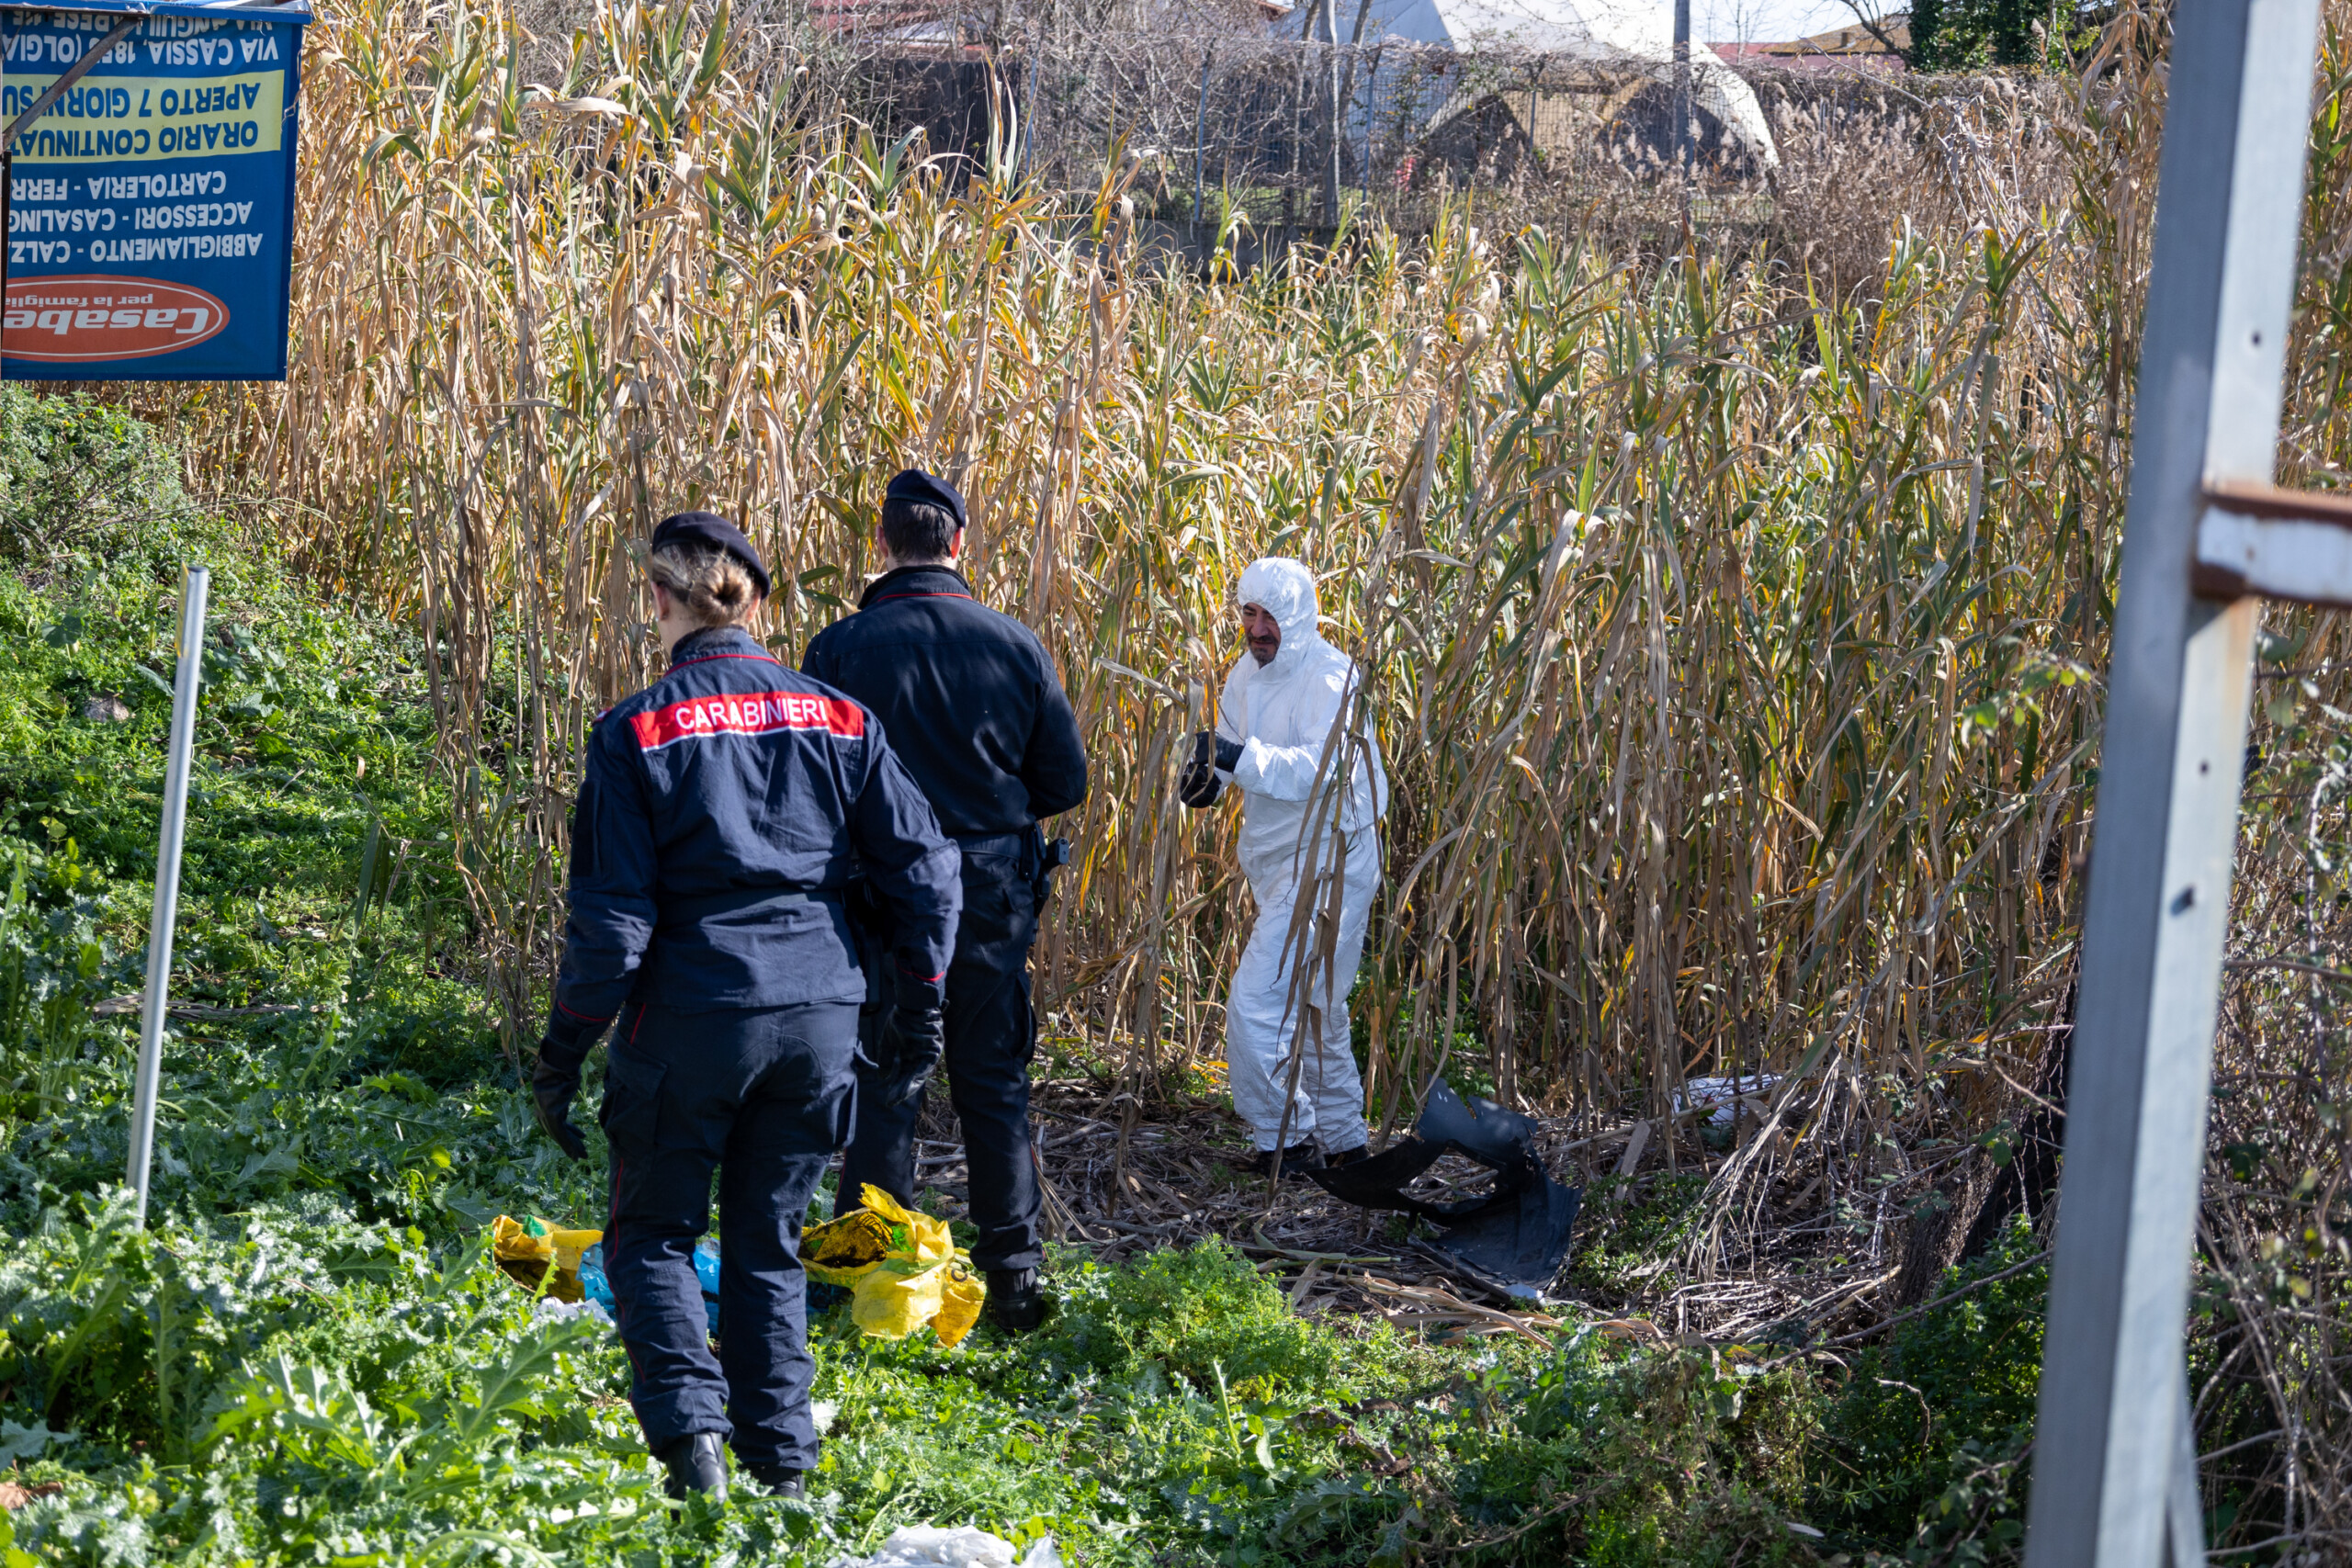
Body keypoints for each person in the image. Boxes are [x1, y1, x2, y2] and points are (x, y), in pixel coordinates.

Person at [530, 511, 961, 1504]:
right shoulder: (842, 718)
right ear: (757, 603)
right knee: (768, 1243)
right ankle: (788, 1474)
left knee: (653, 1235)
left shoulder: (634, 730)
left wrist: (563, 1054)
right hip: (819, 1015)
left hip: (691, 1012)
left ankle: (695, 1452)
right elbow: (928, 875)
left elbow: (612, 930)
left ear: (659, 600)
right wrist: (921, 1008)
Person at [802, 468, 1089, 1333]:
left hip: (885, 889)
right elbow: (1063, 780)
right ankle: (1015, 1281)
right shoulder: (1014, 644)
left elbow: (816, 786)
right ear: (959, 545)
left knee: (885, 1075)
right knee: (993, 1079)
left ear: (883, 546)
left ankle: (865, 1278)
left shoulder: (840, 650)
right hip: (993, 886)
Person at [1180, 557, 1387, 1179]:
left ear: (1299, 616)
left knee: (1258, 1001)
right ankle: (1345, 1141)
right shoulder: (1245, 674)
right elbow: (1230, 745)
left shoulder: (1331, 679)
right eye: (1249, 612)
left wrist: (1238, 759)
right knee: (1318, 1001)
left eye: (1271, 615)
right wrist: (1208, 781)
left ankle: (1286, 1143)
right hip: (1277, 856)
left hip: (1332, 856)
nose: (1258, 627)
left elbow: (1320, 771)